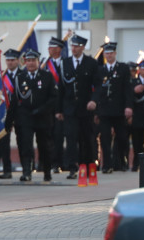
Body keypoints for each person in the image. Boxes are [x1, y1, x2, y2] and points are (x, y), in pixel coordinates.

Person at [9, 48, 59, 182]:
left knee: (44, 146)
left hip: (42, 117)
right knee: (26, 145)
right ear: (25, 62)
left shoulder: (46, 76)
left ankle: (47, 171)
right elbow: (15, 100)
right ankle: (27, 172)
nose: (30, 63)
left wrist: (42, 109)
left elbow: (53, 98)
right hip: (25, 117)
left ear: (38, 61)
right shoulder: (20, 78)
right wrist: (9, 121)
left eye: (33, 60)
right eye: (28, 61)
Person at [65, 34, 100, 186]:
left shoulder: (91, 63)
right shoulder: (65, 63)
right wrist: (59, 109)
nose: (74, 48)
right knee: (71, 138)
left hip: (86, 109)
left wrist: (94, 100)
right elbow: (61, 87)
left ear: (82, 47)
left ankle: (87, 165)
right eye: (72, 46)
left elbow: (98, 86)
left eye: (77, 46)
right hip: (70, 108)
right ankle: (73, 168)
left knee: (87, 139)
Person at [92, 42, 132, 174]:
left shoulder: (123, 68)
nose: (109, 55)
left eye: (111, 53)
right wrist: (97, 110)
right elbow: (97, 91)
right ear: (104, 55)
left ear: (115, 54)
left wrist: (128, 106)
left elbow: (127, 89)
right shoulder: (100, 70)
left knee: (122, 137)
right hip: (104, 109)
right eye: (107, 53)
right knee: (105, 138)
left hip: (119, 108)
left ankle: (121, 161)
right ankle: (107, 165)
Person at [0, 48, 21, 179]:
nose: (10, 62)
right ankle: (5, 169)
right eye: (8, 60)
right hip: (4, 113)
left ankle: (26, 169)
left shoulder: (22, 74)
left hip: (19, 112)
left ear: (18, 61)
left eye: (12, 60)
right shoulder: (1, 76)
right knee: (2, 142)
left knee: (22, 141)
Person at [43, 37, 67, 173]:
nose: (50, 49)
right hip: (48, 106)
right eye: (49, 47)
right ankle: (49, 163)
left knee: (59, 136)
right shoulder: (45, 64)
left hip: (62, 105)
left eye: (53, 47)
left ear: (59, 49)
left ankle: (60, 162)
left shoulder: (66, 63)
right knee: (48, 136)